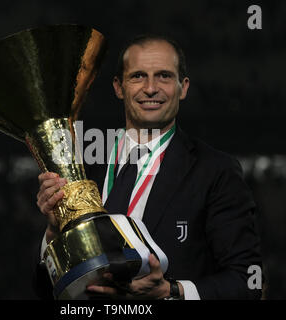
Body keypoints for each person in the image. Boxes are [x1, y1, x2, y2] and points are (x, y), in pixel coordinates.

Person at [35, 34, 262, 300]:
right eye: (138, 76)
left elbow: (248, 281)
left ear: (183, 87)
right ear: (119, 87)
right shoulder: (82, 167)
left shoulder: (215, 171)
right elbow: (45, 290)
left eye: (164, 76)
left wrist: (172, 291)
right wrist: (53, 232)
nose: (151, 88)